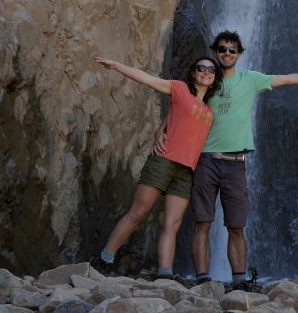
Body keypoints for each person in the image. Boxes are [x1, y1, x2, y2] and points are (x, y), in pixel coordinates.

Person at [161, 30, 298, 290]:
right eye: (222, 49)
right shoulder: (207, 82)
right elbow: (182, 105)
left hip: (235, 163)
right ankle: (203, 280)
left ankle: (239, 281)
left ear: (240, 54)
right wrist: (161, 130)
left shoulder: (251, 80)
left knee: (236, 226)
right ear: (215, 52)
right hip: (206, 160)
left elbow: (287, 80)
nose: (227, 53)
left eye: (232, 50)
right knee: (202, 222)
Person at [89, 55, 222, 279]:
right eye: (201, 68)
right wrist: (117, 64)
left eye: (211, 69)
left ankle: (165, 274)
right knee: (138, 212)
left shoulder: (210, 108)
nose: (206, 72)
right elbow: (148, 79)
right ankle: (104, 258)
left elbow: (178, 116)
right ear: (194, 73)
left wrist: (161, 127)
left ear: (215, 77)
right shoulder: (180, 90)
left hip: (187, 170)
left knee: (173, 223)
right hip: (164, 160)